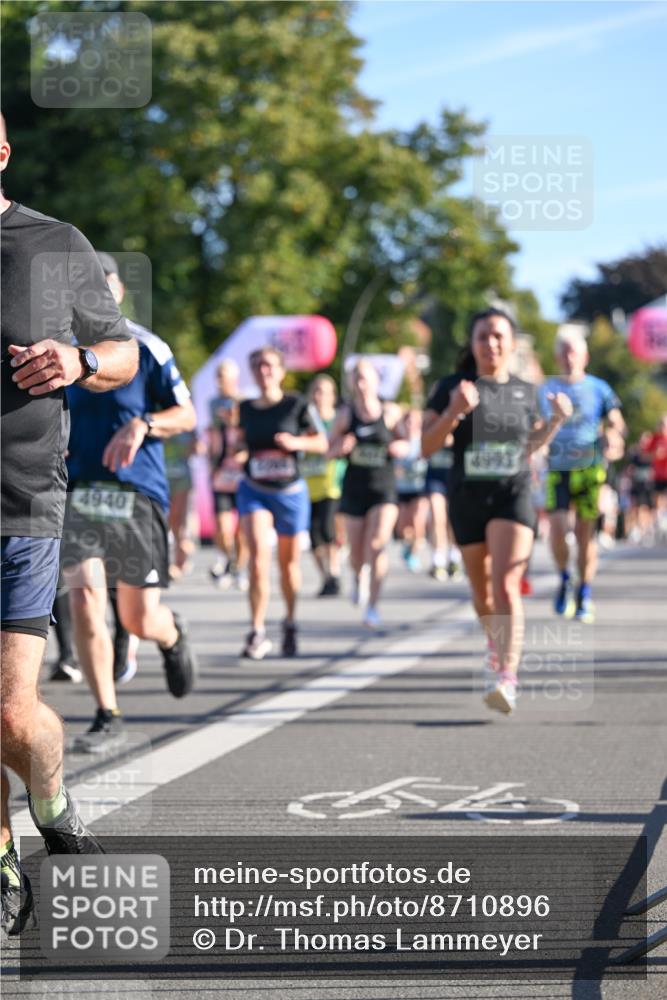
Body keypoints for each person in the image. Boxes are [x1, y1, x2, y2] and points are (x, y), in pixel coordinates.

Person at [0, 114, 139, 938]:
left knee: (13, 715)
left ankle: (49, 800)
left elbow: (120, 352)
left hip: (22, 499)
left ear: (2, 150)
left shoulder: (54, 242)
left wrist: (80, 362)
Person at [61, 252, 198, 753]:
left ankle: (170, 635)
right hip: (79, 493)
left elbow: (187, 414)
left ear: (118, 292)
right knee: (85, 597)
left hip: (136, 495)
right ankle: (107, 712)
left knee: (138, 617)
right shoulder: (63, 352)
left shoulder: (146, 347)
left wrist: (146, 424)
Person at [422, 308, 572, 715]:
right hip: (467, 497)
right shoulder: (451, 386)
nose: (491, 343)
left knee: (507, 584)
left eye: (498, 336)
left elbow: (529, 446)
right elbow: (426, 446)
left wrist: (555, 421)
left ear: (512, 342)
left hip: (513, 493)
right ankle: (496, 641)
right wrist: (454, 410)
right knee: (482, 592)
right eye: (483, 336)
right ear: (471, 344)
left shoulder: (526, 390)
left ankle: (507, 677)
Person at [236, 346, 328, 659]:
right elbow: (239, 443)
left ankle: (289, 621)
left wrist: (296, 442)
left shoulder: (297, 404)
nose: (264, 371)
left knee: (288, 564)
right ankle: (257, 630)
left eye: (270, 365)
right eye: (258, 366)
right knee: (258, 556)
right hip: (254, 488)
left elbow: (321, 441)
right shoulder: (245, 408)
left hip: (289, 492)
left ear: (282, 370)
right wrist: (234, 455)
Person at [539, 329, 625, 623]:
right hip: (557, 469)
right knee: (558, 528)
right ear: (556, 357)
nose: (569, 356)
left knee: (585, 535)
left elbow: (615, 420)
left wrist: (613, 437)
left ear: (585, 356)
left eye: (574, 351)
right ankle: (565, 577)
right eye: (563, 351)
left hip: (590, 469)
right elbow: (536, 424)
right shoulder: (546, 389)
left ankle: (585, 592)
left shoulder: (599, 388)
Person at [329, 358, 405, 629]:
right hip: (355, 489)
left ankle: (372, 605)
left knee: (377, 544)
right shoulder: (346, 415)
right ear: (351, 383)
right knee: (357, 554)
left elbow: (407, 441)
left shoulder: (390, 412)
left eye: (366, 378)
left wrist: (400, 447)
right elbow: (328, 450)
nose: (361, 384)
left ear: (376, 381)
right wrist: (341, 446)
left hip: (383, 489)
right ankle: (358, 575)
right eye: (357, 379)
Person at [208, 360, 248, 590]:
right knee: (223, 526)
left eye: (224, 375)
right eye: (218, 375)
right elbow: (212, 433)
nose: (220, 380)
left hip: (241, 473)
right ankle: (228, 558)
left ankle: (239, 568)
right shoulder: (213, 403)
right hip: (221, 472)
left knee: (242, 528)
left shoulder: (244, 402)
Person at [304, 374, 345, 596]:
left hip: (332, 483)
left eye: (324, 392)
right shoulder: (305, 420)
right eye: (316, 391)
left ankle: (335, 572)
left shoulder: (337, 420)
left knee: (328, 529)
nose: (319, 397)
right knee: (314, 536)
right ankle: (326, 577)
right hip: (308, 484)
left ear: (332, 396)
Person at [394, 408, 430, 574]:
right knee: (403, 527)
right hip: (402, 489)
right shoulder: (398, 441)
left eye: (415, 421)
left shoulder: (426, 440)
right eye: (408, 420)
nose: (411, 424)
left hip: (420, 488)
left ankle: (413, 553)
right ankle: (407, 547)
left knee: (418, 522)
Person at [164, 430, 197, 578]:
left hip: (181, 479)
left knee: (178, 520)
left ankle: (180, 557)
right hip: (160, 480)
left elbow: (196, 449)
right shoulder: (154, 422)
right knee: (164, 520)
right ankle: (164, 560)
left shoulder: (185, 426)